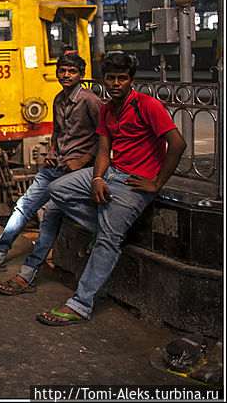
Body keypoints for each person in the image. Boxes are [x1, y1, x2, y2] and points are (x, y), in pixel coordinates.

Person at [34, 52, 186, 326]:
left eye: (122, 78)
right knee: (57, 189)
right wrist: (97, 179)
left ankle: (80, 304)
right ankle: (107, 230)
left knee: (107, 242)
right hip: (112, 172)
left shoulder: (147, 105)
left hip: (136, 182)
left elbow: (177, 144)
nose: (116, 83)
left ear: (131, 81)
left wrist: (156, 182)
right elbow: (104, 149)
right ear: (104, 80)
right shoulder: (106, 109)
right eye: (111, 78)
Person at [0, 52, 103, 292]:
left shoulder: (90, 101)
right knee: (24, 206)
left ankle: (28, 273)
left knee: (51, 217)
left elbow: (104, 137)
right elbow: (57, 131)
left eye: (72, 72)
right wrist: (52, 150)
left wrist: (83, 160)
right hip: (54, 165)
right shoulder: (57, 99)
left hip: (73, 170)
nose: (66, 75)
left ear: (81, 75)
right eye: (62, 70)